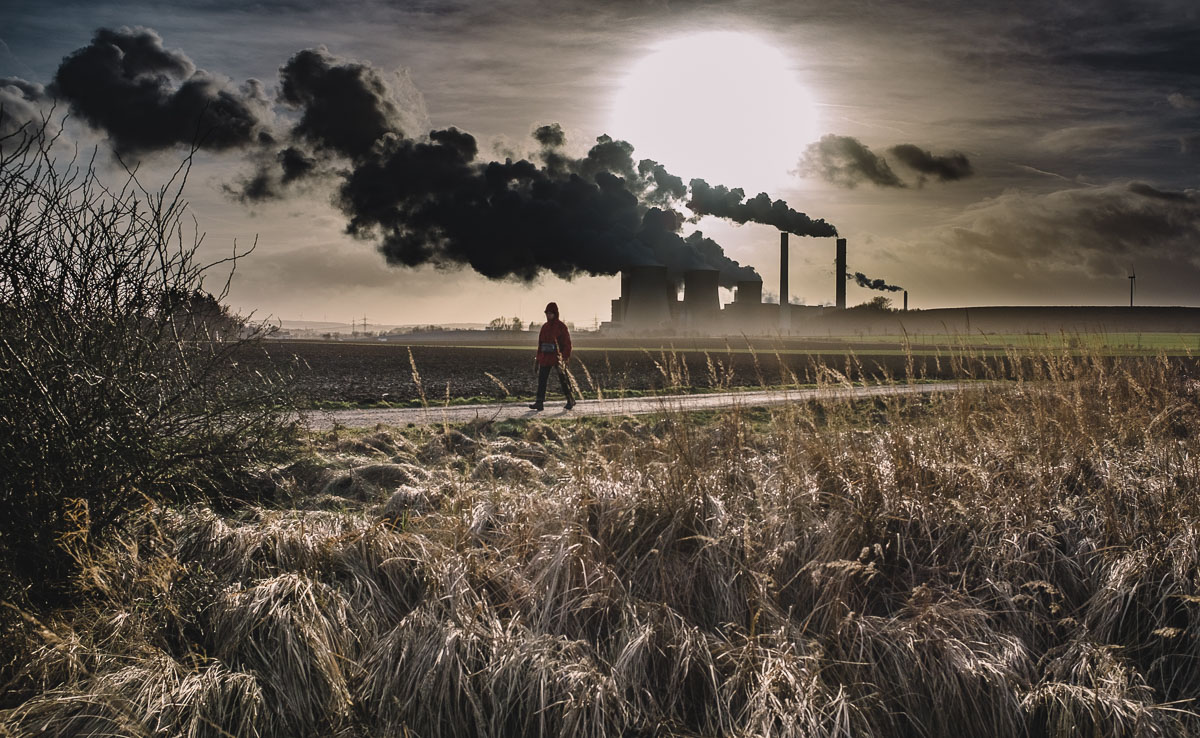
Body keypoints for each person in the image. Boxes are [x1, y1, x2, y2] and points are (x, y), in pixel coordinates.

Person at [529, 302, 574, 411]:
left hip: (557, 358)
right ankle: (539, 402)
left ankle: (570, 400)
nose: (548, 315)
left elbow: (567, 344)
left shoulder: (561, 327)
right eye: (547, 313)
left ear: (555, 314)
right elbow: (540, 344)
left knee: (563, 380)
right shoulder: (544, 327)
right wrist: (537, 360)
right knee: (542, 380)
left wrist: (563, 359)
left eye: (550, 313)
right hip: (545, 357)